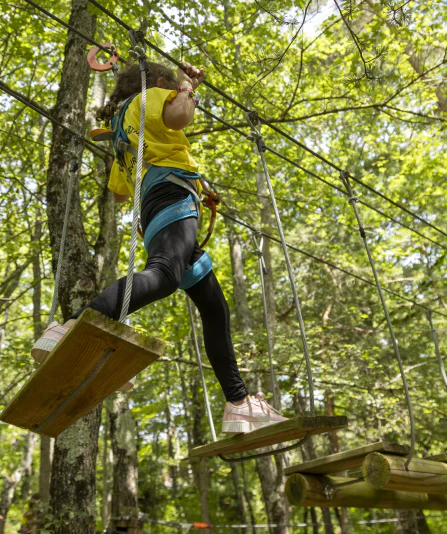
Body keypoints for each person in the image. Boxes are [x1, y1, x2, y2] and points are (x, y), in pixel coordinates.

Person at [32, 60, 285, 434]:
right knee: (165, 276)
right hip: (171, 199)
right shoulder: (153, 95)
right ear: (161, 82)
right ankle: (71, 326)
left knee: (215, 306)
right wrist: (185, 89)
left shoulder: (123, 131)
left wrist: (144, 141)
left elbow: (119, 193)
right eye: (171, 86)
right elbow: (181, 116)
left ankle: (239, 402)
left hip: (155, 210)